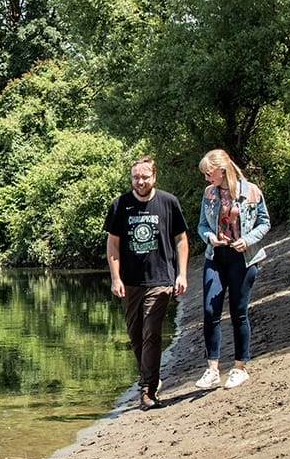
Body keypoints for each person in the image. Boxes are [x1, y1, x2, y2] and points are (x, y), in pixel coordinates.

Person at [105, 156, 189, 410]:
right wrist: (116, 278)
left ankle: (147, 391)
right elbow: (113, 244)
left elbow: (181, 240)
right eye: (136, 177)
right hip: (130, 282)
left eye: (145, 177)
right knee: (135, 335)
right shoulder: (120, 205)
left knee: (151, 332)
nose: (140, 181)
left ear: (154, 176)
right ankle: (150, 378)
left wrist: (181, 274)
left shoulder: (168, 202)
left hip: (160, 279)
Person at [193, 149, 271, 390]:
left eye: (209, 173)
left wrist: (247, 240)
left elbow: (264, 222)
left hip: (243, 258)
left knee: (238, 311)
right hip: (215, 256)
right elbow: (202, 225)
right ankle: (213, 368)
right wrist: (209, 237)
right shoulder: (209, 194)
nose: (207, 178)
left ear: (222, 170)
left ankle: (239, 367)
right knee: (209, 310)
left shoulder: (251, 192)